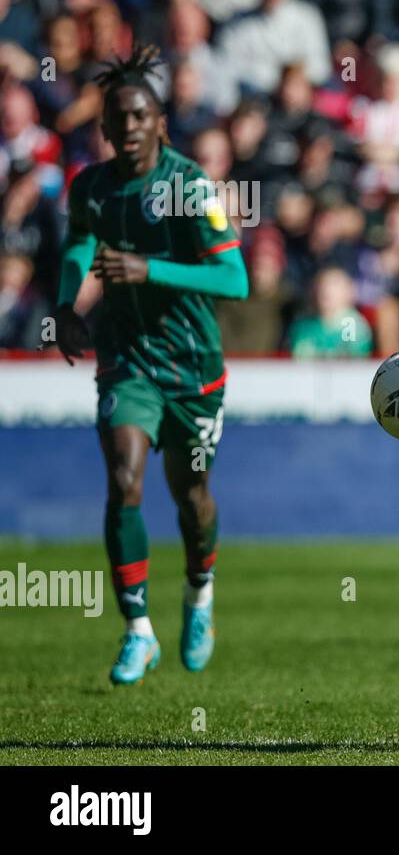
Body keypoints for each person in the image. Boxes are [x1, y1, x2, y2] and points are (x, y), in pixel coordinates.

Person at [53, 45, 248, 685]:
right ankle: (138, 630)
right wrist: (67, 301)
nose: (131, 127)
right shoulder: (92, 186)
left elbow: (234, 276)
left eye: (142, 115)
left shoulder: (190, 187)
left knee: (190, 497)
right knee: (125, 481)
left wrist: (148, 270)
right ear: (104, 128)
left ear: (161, 123)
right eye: (119, 118)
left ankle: (200, 594)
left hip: (193, 369)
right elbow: (81, 235)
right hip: (127, 360)